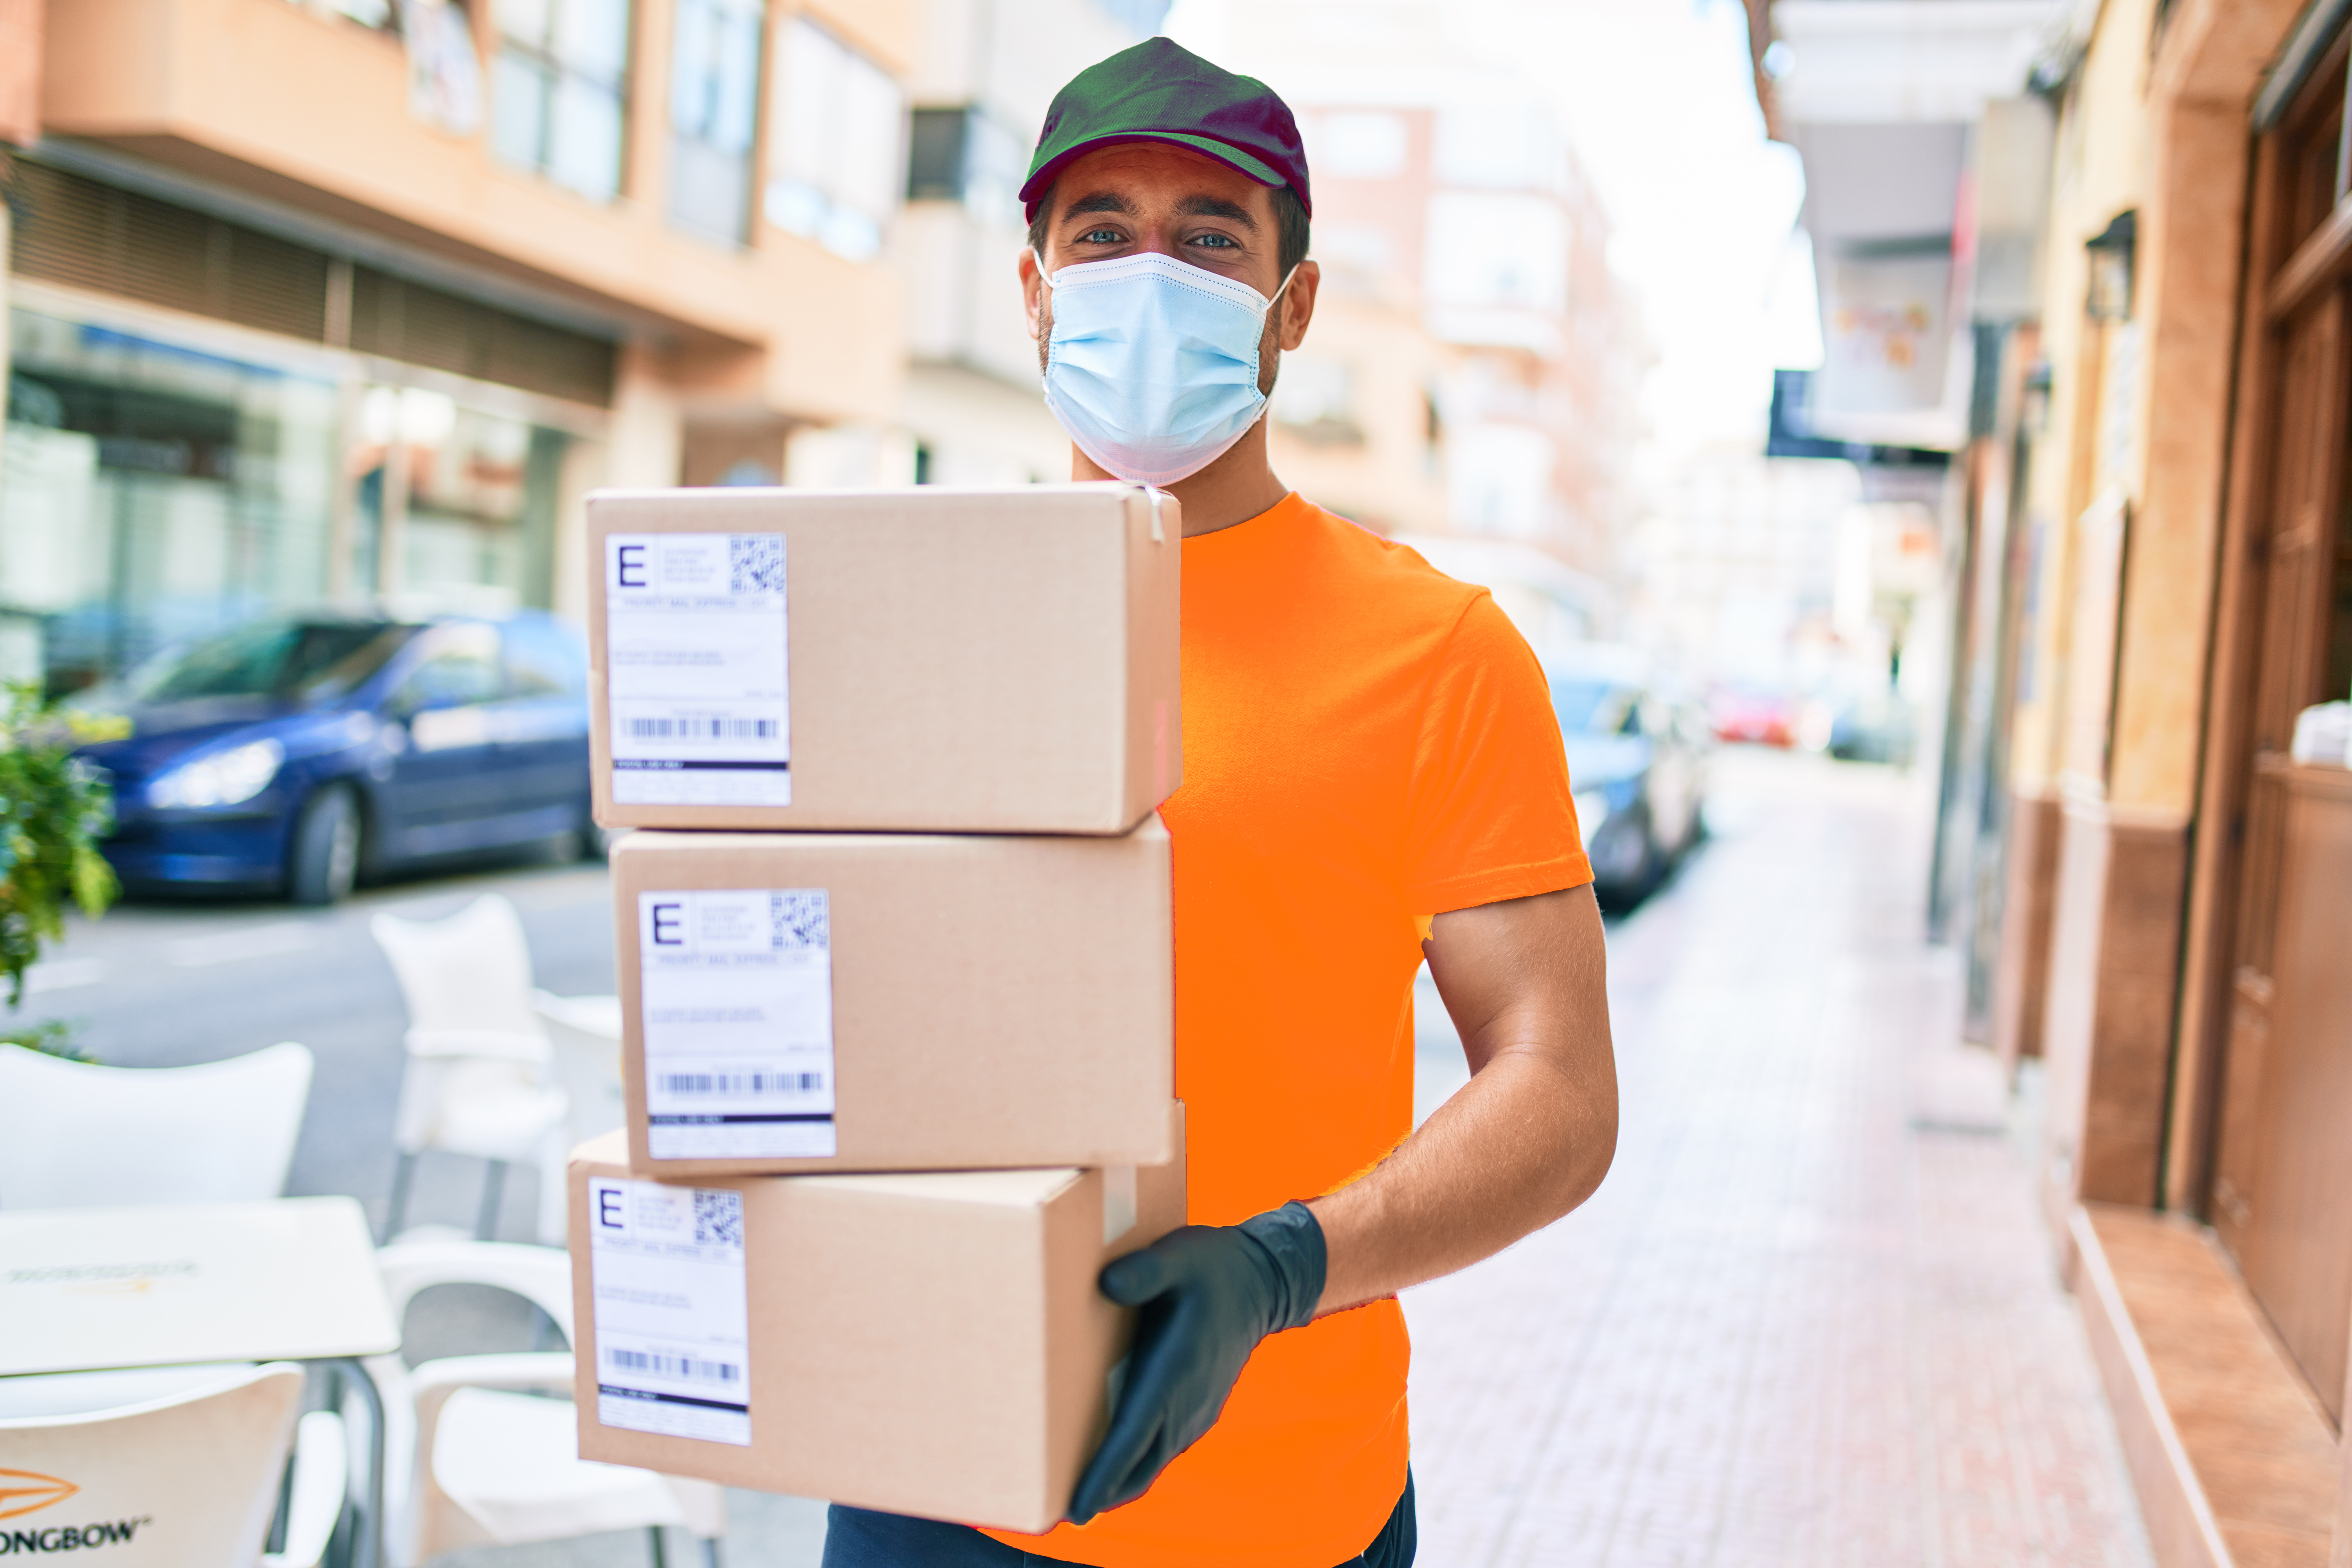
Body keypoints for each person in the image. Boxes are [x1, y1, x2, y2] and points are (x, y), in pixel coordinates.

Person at [823, 37, 1618, 1568]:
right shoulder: (914, 615)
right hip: (924, 1465)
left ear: (1291, 305)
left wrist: (1281, 1266)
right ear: (1036, 288)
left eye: (1207, 239)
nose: (1146, 272)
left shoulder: (1437, 652)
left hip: (1278, 1507)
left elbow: (1562, 1091)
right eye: (1102, 232)